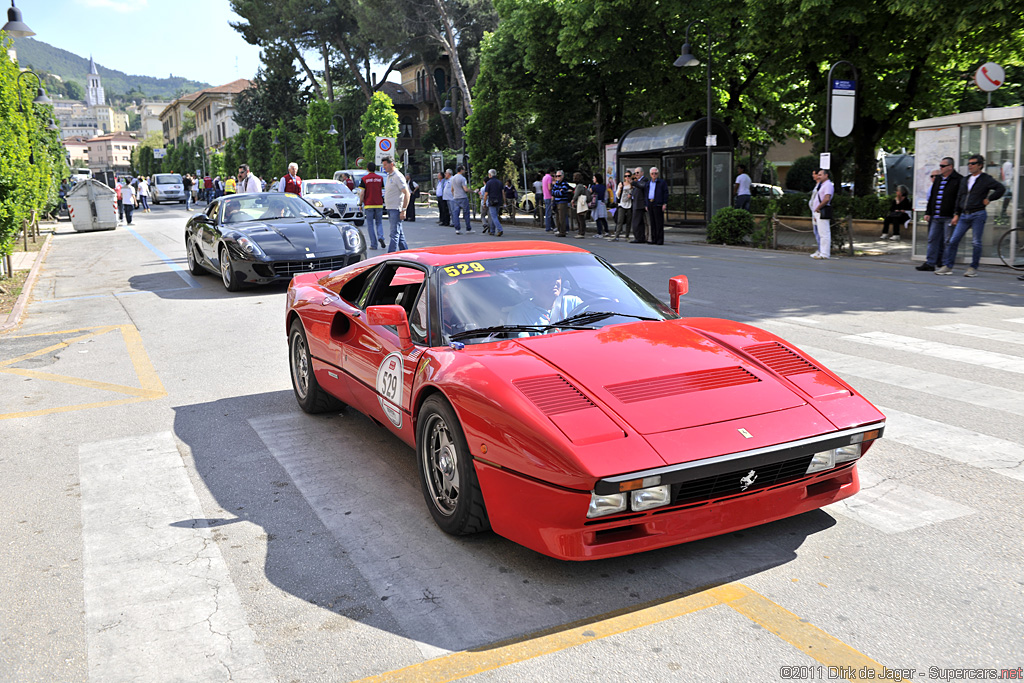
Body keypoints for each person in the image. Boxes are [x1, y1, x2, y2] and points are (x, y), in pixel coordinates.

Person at [937, 153, 1005, 277]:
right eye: (969, 163)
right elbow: (959, 197)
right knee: (953, 241)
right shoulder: (965, 179)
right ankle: (948, 266)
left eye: (973, 163)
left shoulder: (986, 179)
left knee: (976, 242)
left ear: (980, 165)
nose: (970, 166)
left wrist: (989, 198)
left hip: (978, 214)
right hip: (963, 215)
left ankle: (973, 268)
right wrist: (956, 214)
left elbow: (1001, 188)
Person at [917, 158, 962, 271]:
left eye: (943, 166)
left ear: (950, 167)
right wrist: (928, 212)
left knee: (947, 241)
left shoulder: (958, 179)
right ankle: (930, 263)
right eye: (940, 165)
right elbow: (932, 197)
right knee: (932, 239)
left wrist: (957, 214)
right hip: (936, 216)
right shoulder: (938, 179)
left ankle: (945, 264)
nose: (940, 168)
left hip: (949, 216)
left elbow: (959, 199)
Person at [506, 270, 584, 329]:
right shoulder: (519, 313)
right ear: (532, 284)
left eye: (557, 277)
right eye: (547, 278)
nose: (554, 282)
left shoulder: (574, 302)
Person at [380, 156, 410, 252]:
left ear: (391, 164)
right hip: (390, 208)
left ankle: (390, 255)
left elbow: (407, 193)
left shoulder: (398, 176)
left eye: (385, 165)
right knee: (399, 234)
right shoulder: (390, 176)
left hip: (396, 209)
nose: (384, 167)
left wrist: (404, 210)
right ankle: (406, 253)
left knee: (394, 234)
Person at [358, 162, 386, 249]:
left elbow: (362, 193)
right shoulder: (380, 178)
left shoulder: (364, 179)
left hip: (369, 204)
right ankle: (380, 236)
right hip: (379, 204)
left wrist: (360, 203)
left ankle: (374, 244)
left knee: (370, 224)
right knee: (379, 222)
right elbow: (382, 191)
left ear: (367, 169)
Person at [809, 169, 834, 259]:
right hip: (818, 212)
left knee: (824, 233)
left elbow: (827, 198)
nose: (818, 176)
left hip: (821, 211)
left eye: (820, 175)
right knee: (821, 233)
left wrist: (818, 207)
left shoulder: (828, 185)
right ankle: (821, 251)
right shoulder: (823, 185)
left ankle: (825, 254)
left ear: (826, 175)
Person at [647, 167, 668, 245]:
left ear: (658, 174)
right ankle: (654, 239)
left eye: (655, 173)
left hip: (658, 204)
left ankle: (659, 240)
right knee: (652, 223)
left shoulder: (662, 182)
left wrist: (664, 203)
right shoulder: (648, 183)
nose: (654, 175)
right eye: (652, 173)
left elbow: (665, 193)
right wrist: (646, 204)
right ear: (650, 174)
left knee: (659, 223)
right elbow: (646, 193)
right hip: (650, 203)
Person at [609, 171, 633, 241]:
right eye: (626, 176)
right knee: (620, 220)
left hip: (629, 204)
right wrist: (620, 189)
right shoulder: (621, 184)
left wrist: (631, 196)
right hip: (622, 204)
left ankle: (627, 236)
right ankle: (616, 235)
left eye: (628, 176)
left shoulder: (632, 184)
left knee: (629, 221)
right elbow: (617, 195)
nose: (627, 177)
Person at [630, 167, 649, 243]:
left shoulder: (644, 180)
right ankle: (640, 237)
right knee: (638, 222)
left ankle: (639, 238)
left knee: (637, 222)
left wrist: (634, 183)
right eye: (635, 173)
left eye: (637, 173)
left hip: (639, 204)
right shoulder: (637, 181)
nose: (636, 174)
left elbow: (642, 186)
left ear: (642, 173)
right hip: (636, 203)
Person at [450, 165, 471, 235]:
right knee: (466, 213)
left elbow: (452, 189)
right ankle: (468, 228)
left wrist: (454, 195)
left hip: (456, 197)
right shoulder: (463, 178)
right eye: (464, 169)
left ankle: (457, 229)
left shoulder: (453, 178)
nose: (464, 171)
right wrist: (473, 191)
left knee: (456, 214)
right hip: (463, 197)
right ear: (461, 170)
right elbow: (465, 189)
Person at [550, 170, 572, 237]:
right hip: (556, 202)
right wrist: (558, 192)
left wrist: (557, 192)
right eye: (556, 176)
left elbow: (561, 193)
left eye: (559, 176)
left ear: (562, 176)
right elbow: (553, 192)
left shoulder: (565, 183)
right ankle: (559, 230)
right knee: (557, 217)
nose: (557, 177)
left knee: (562, 218)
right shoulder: (556, 183)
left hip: (562, 202)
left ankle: (563, 231)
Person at [483, 169, 504, 236]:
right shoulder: (500, 182)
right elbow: (503, 193)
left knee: (494, 216)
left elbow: (486, 194)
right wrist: (504, 201)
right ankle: (492, 230)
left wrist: (484, 202)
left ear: (490, 175)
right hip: (499, 201)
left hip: (491, 201)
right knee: (494, 216)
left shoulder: (489, 183)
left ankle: (499, 229)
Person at [572, 172, 592, 238]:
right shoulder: (581, 185)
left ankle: (581, 232)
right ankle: (581, 231)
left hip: (579, 204)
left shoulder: (579, 186)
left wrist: (573, 200)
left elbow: (576, 195)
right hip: (581, 203)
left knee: (580, 218)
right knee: (581, 218)